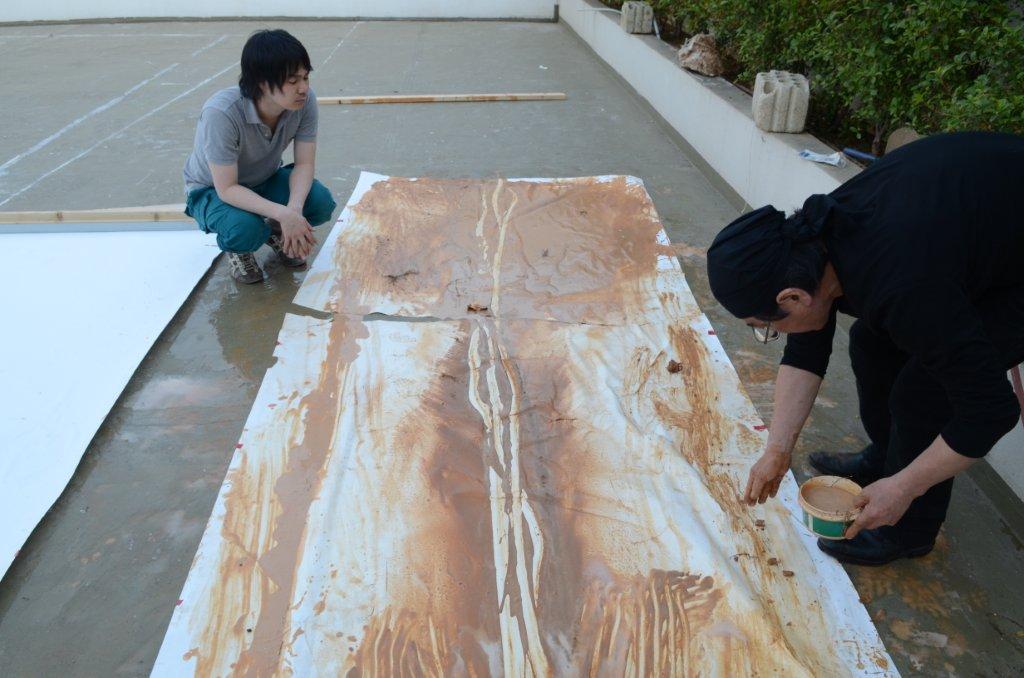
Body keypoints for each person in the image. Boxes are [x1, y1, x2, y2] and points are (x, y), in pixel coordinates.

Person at [706, 132, 1024, 565]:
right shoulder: (816, 240)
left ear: (792, 297)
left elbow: (991, 410)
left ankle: (907, 529)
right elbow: (807, 347)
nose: (773, 333)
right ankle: (885, 457)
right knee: (871, 343)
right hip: (980, 223)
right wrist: (777, 449)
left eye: (766, 327)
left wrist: (904, 487)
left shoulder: (902, 282)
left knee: (923, 393)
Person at [183, 29, 337, 283]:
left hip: (264, 179)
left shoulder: (305, 102)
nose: (303, 88)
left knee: (320, 203)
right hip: (212, 191)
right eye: (292, 81)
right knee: (245, 230)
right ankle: (240, 249)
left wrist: (293, 212)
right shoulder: (221, 113)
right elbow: (227, 188)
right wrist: (283, 213)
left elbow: (304, 164)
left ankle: (276, 231)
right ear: (262, 82)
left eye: (305, 77)